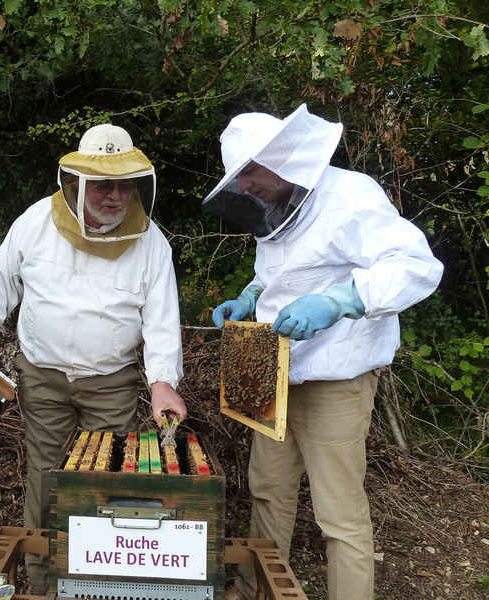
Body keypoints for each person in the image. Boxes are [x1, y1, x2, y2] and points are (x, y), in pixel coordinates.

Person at [202, 104, 443, 600]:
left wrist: (341, 300)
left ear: (282, 156)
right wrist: (250, 298)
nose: (244, 187)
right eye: (237, 178)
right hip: (269, 369)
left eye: (249, 172)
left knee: (338, 511)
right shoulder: (277, 207)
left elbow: (417, 265)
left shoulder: (351, 194)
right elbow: (279, 273)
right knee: (267, 491)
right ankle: (255, 591)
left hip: (337, 377)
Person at [0, 123, 187, 593]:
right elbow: (1, 279)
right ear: (77, 182)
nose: (115, 196)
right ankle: (45, 580)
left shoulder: (151, 241)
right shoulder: (35, 222)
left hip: (111, 381)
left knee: (106, 477)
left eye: (123, 184)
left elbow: (162, 318)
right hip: (42, 375)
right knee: (46, 474)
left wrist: (162, 381)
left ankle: (97, 577)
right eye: (104, 184)